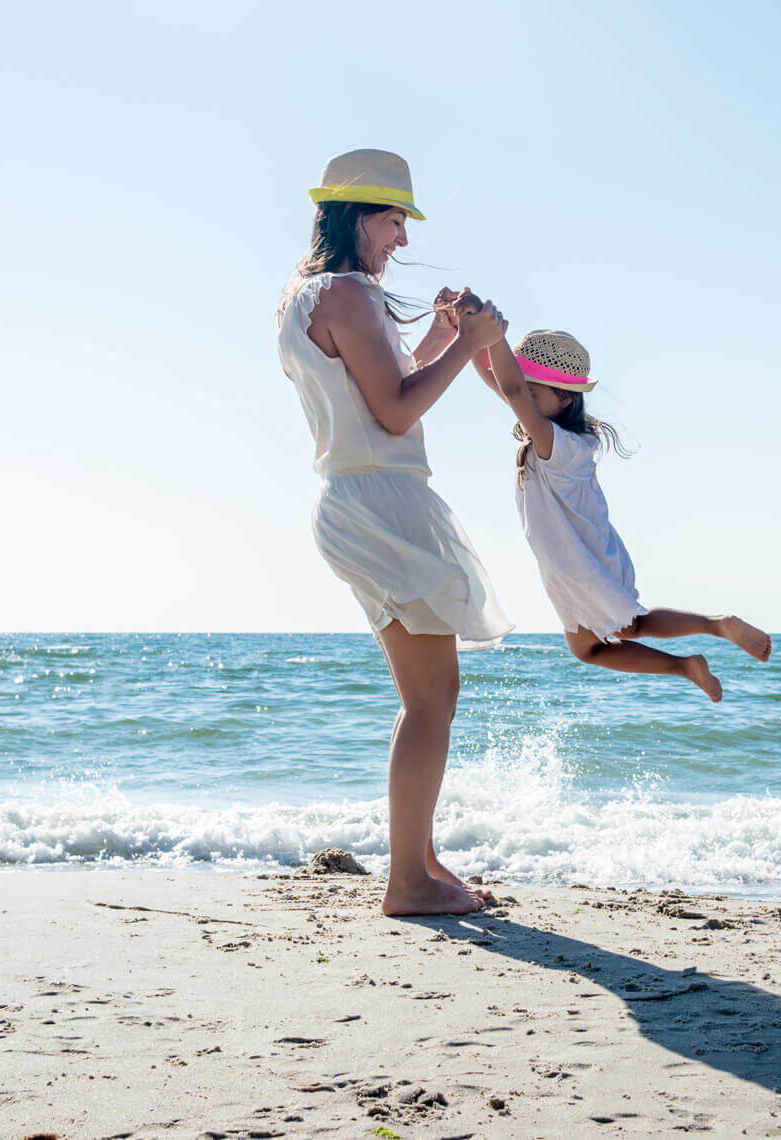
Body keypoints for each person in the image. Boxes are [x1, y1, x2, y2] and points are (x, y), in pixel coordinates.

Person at [276, 149, 511, 916]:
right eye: (394, 221)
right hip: (377, 504)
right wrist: (471, 346)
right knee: (430, 699)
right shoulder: (346, 293)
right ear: (357, 216)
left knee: (431, 695)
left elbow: (384, 387)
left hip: (361, 499)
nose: (403, 239)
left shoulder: (315, 295)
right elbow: (397, 411)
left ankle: (421, 862)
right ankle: (407, 882)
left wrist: (442, 337)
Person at [449, 318, 771, 701]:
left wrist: (492, 334)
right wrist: (466, 331)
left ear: (564, 398)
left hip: (578, 563)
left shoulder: (556, 444)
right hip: (582, 557)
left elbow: (512, 388)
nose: (519, 400)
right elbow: (501, 382)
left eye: (532, 393)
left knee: (617, 633)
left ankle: (704, 640)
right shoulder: (569, 439)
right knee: (613, 635)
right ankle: (697, 650)